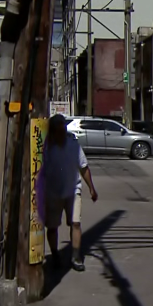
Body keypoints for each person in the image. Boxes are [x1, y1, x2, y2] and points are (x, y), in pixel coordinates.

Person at [42, 114, 98, 272]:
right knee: (52, 227)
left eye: (63, 129)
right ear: (52, 132)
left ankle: (75, 256)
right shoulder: (46, 147)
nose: (61, 134)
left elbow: (84, 167)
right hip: (52, 193)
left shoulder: (74, 145)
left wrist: (91, 188)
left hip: (74, 190)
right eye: (58, 131)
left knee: (75, 223)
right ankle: (55, 255)